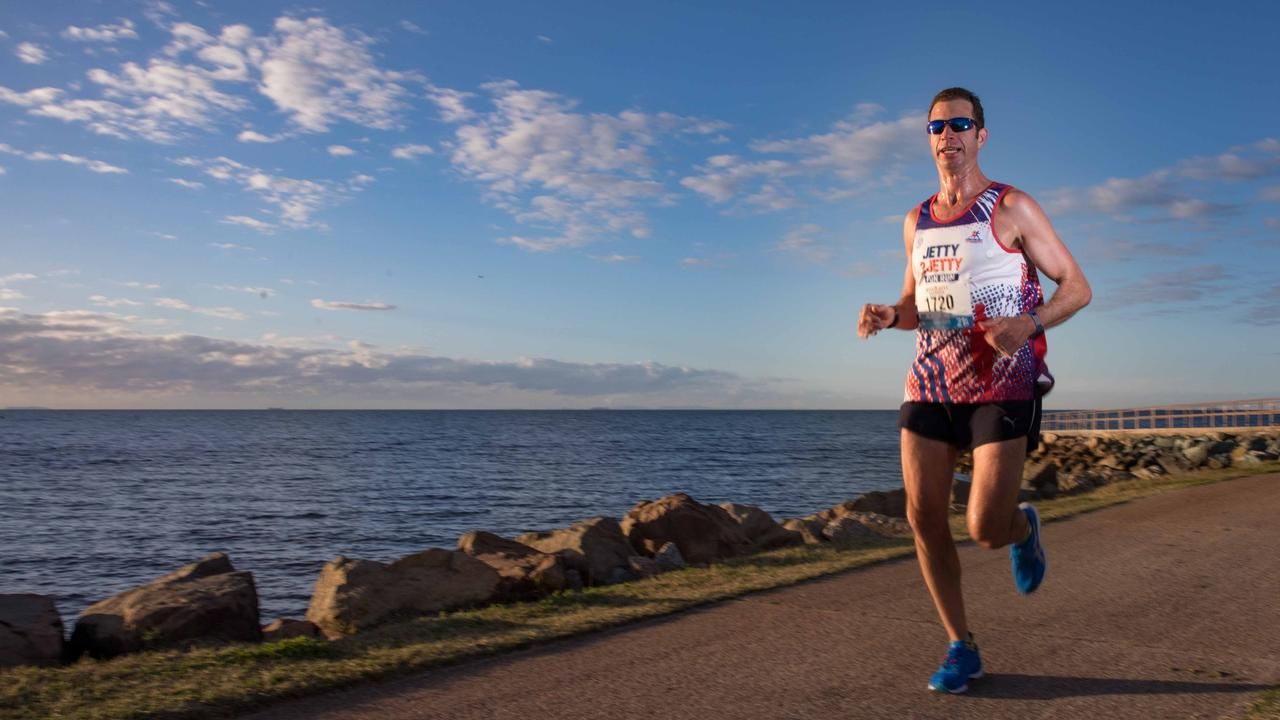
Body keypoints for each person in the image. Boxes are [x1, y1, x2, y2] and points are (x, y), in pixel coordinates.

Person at [857, 87, 1091, 694]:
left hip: (1001, 383)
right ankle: (961, 645)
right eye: (937, 127)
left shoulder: (1011, 208)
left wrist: (1030, 322)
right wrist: (889, 314)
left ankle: (1022, 527)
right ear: (929, 138)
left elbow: (1076, 286)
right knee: (923, 517)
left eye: (960, 124)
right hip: (931, 380)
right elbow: (919, 309)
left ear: (980, 136)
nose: (948, 136)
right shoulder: (917, 220)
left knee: (985, 527)